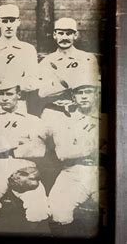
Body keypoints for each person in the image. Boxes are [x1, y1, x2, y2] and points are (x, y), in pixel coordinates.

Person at [0, 79, 49, 224]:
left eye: (9, 94)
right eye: (0, 94)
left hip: (24, 165)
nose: (4, 98)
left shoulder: (33, 120)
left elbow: (40, 150)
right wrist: (18, 141)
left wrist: (8, 145)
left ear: (19, 94)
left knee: (38, 208)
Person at [48, 76, 104, 227]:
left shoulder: (109, 119)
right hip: (74, 172)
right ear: (73, 97)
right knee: (58, 211)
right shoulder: (65, 121)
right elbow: (62, 153)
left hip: (104, 172)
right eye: (79, 93)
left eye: (88, 92)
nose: (84, 96)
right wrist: (93, 148)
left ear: (97, 94)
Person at [0, 4, 38, 115]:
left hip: (19, 104)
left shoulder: (28, 50)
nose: (9, 25)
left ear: (18, 22)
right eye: (5, 21)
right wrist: (18, 82)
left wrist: (0, 81)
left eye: (12, 21)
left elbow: (33, 82)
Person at [38, 17, 100, 118]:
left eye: (68, 33)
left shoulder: (87, 58)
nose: (64, 37)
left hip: (82, 112)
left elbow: (94, 88)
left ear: (75, 35)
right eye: (61, 33)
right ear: (55, 35)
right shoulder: (47, 61)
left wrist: (58, 84)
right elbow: (42, 92)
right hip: (54, 111)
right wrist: (71, 83)